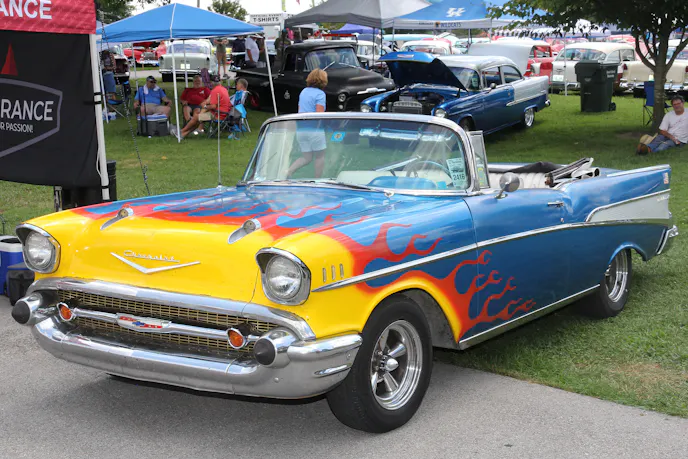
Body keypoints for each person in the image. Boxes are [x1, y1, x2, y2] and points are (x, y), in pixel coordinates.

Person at [287, 69, 327, 178]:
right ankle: (317, 180)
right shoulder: (320, 94)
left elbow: (300, 110)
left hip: (301, 129)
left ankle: (288, 171)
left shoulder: (304, 91)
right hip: (314, 130)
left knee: (306, 157)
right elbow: (319, 115)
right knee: (320, 156)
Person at [172, 75, 231, 139]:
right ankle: (183, 134)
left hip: (217, 115)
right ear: (220, 82)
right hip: (224, 114)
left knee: (196, 117)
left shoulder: (215, 91)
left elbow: (213, 106)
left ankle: (181, 132)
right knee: (198, 118)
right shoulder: (223, 89)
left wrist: (205, 107)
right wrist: (205, 105)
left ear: (211, 83)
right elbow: (211, 101)